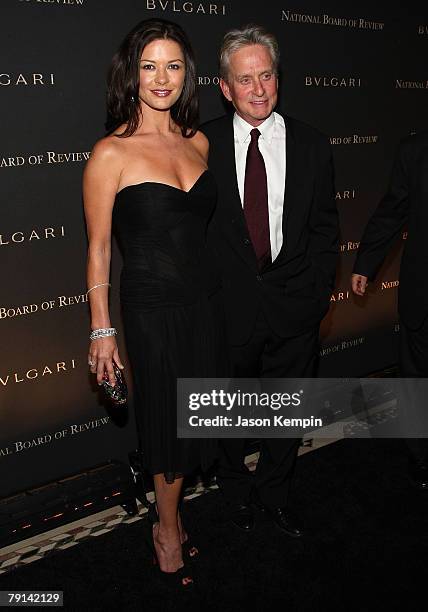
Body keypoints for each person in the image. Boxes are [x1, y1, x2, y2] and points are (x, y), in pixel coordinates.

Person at [83, 18, 226, 587]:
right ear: (131, 73)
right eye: (149, 65)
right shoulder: (110, 153)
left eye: (173, 65)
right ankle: (166, 530)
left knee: (198, 418)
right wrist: (101, 330)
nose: (161, 78)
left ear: (187, 73)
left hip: (205, 303)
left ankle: (174, 514)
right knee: (169, 423)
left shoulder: (199, 142)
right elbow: (96, 252)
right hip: (152, 308)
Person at [201, 25, 339, 534]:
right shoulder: (200, 145)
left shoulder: (313, 144)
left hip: (295, 306)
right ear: (224, 86)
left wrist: (318, 292)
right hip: (227, 308)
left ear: (278, 77)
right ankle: (235, 492)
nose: (258, 90)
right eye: (245, 80)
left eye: (266, 76)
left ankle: (276, 492)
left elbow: (326, 227)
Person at [352, 130, 428, 490]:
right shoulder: (414, 149)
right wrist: (366, 263)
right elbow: (392, 210)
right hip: (422, 292)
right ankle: (421, 456)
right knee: (415, 380)